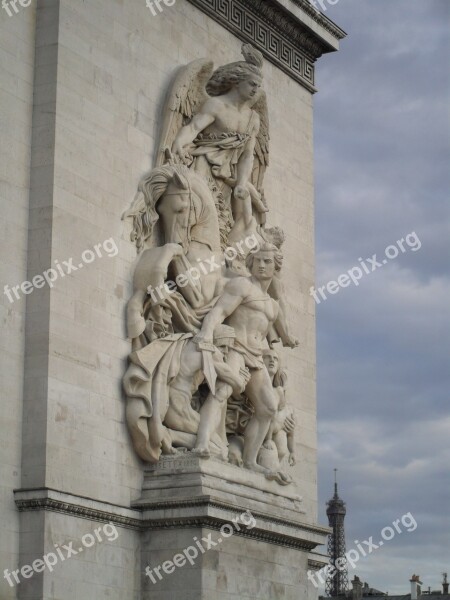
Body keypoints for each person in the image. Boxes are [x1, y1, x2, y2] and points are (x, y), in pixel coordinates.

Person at [194, 242, 298, 474]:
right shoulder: (242, 285)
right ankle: (201, 443)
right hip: (236, 349)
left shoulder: (273, 305)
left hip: (256, 357)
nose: (261, 265)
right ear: (250, 263)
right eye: (257, 261)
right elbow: (219, 312)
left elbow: (283, 330)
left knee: (269, 408)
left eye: (267, 261)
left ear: (275, 267)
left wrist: (290, 339)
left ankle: (250, 460)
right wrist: (206, 334)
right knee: (222, 391)